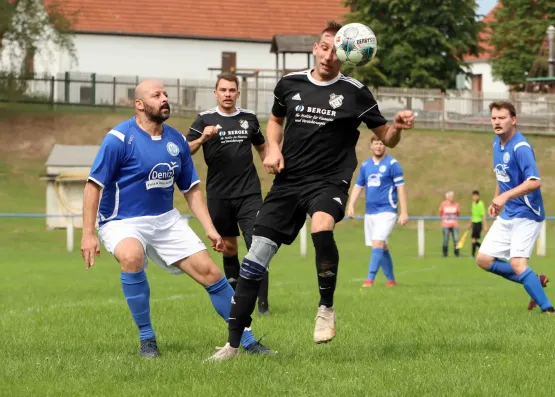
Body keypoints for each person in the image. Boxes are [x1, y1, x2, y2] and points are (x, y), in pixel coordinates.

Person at [207, 20, 414, 361]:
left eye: (336, 49)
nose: (328, 54)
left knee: (321, 226)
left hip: (330, 180)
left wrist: (399, 128)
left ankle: (326, 308)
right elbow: (275, 120)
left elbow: (386, 137)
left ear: (347, 55)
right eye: (324, 46)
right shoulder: (289, 84)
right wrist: (273, 149)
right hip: (289, 181)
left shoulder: (356, 92)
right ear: (315, 48)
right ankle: (233, 344)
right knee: (256, 254)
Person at [80, 79, 274, 358]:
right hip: (121, 221)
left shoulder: (177, 141)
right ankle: (147, 339)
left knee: (211, 273)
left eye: (166, 94)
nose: (164, 99)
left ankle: (248, 340)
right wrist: (88, 233)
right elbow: (93, 185)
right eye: (156, 95)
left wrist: (210, 229)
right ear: (139, 104)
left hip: (166, 221)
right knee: (132, 256)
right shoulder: (119, 139)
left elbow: (191, 189)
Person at [186, 73, 271, 316]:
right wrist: (203, 138)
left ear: (237, 93)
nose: (227, 94)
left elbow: (262, 146)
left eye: (231, 90)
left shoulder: (249, 118)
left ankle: (263, 306)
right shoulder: (204, 119)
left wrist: (270, 163)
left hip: (249, 193)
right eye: (223, 90)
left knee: (258, 246)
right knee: (229, 248)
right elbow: (185, 149)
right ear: (216, 93)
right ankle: (235, 302)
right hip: (219, 196)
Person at [475, 100, 554, 314]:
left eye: (502, 118)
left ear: (513, 119)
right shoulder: (496, 143)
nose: (497, 122)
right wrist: (496, 199)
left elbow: (534, 181)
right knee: (483, 259)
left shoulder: (521, 147)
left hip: (528, 213)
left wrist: (504, 197)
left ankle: (549, 310)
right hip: (509, 211)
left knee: (518, 264)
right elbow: (502, 176)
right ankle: (534, 281)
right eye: (494, 118)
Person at [347, 135, 408, 287]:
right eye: (376, 143)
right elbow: (358, 186)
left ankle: (369, 279)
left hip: (387, 211)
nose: (379, 146)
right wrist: (351, 205)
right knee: (382, 245)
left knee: (378, 242)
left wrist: (404, 211)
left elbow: (401, 189)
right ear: (371, 146)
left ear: (385, 145)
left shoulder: (393, 164)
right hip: (371, 213)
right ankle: (391, 280)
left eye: (381, 143)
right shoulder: (366, 165)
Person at [439, 191, 460, 257]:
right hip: (446, 225)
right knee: (445, 239)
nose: (452, 198)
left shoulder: (456, 205)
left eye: (453, 196)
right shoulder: (443, 204)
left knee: (456, 239)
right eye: (450, 196)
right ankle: (445, 253)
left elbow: (458, 213)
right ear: (447, 197)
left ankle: (457, 253)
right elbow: (440, 212)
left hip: (454, 225)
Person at [469, 190, 487, 258]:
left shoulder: (481, 204)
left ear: (478, 196)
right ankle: (480, 251)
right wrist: (470, 223)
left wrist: (485, 226)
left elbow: (483, 215)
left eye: (476, 196)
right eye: (473, 196)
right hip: (474, 223)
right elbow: (472, 215)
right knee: (473, 240)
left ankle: (478, 253)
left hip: (479, 223)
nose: (475, 197)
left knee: (473, 240)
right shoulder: (473, 204)